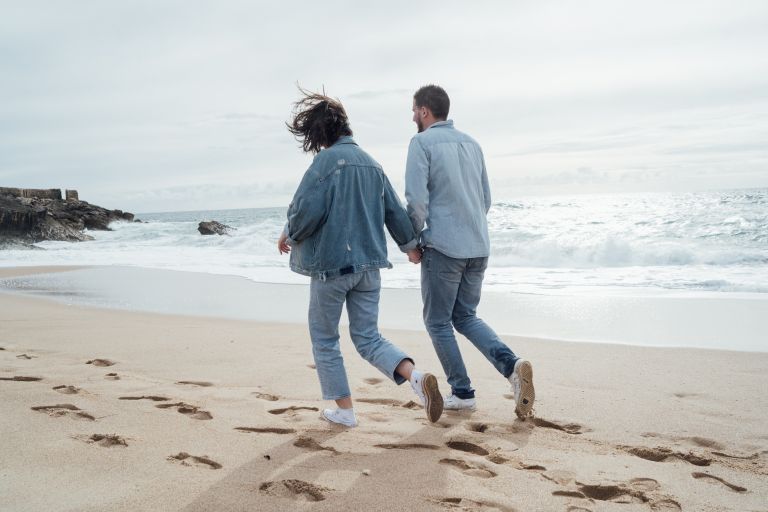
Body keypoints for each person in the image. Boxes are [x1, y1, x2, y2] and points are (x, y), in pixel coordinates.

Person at [277, 88, 444, 427]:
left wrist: (289, 233)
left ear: (320, 133)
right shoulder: (372, 163)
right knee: (368, 337)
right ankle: (416, 377)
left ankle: (345, 411)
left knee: (325, 338)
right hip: (369, 268)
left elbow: (305, 212)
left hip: (331, 268)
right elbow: (395, 212)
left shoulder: (324, 163)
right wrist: (410, 245)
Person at [403, 84, 535, 419]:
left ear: (423, 111)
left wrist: (413, 241)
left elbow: (416, 202)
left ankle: (462, 392)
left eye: (414, 110)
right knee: (465, 316)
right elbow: (486, 199)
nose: (413, 116)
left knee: (437, 320)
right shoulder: (472, 144)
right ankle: (512, 366)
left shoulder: (421, 142)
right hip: (478, 245)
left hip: (444, 247)